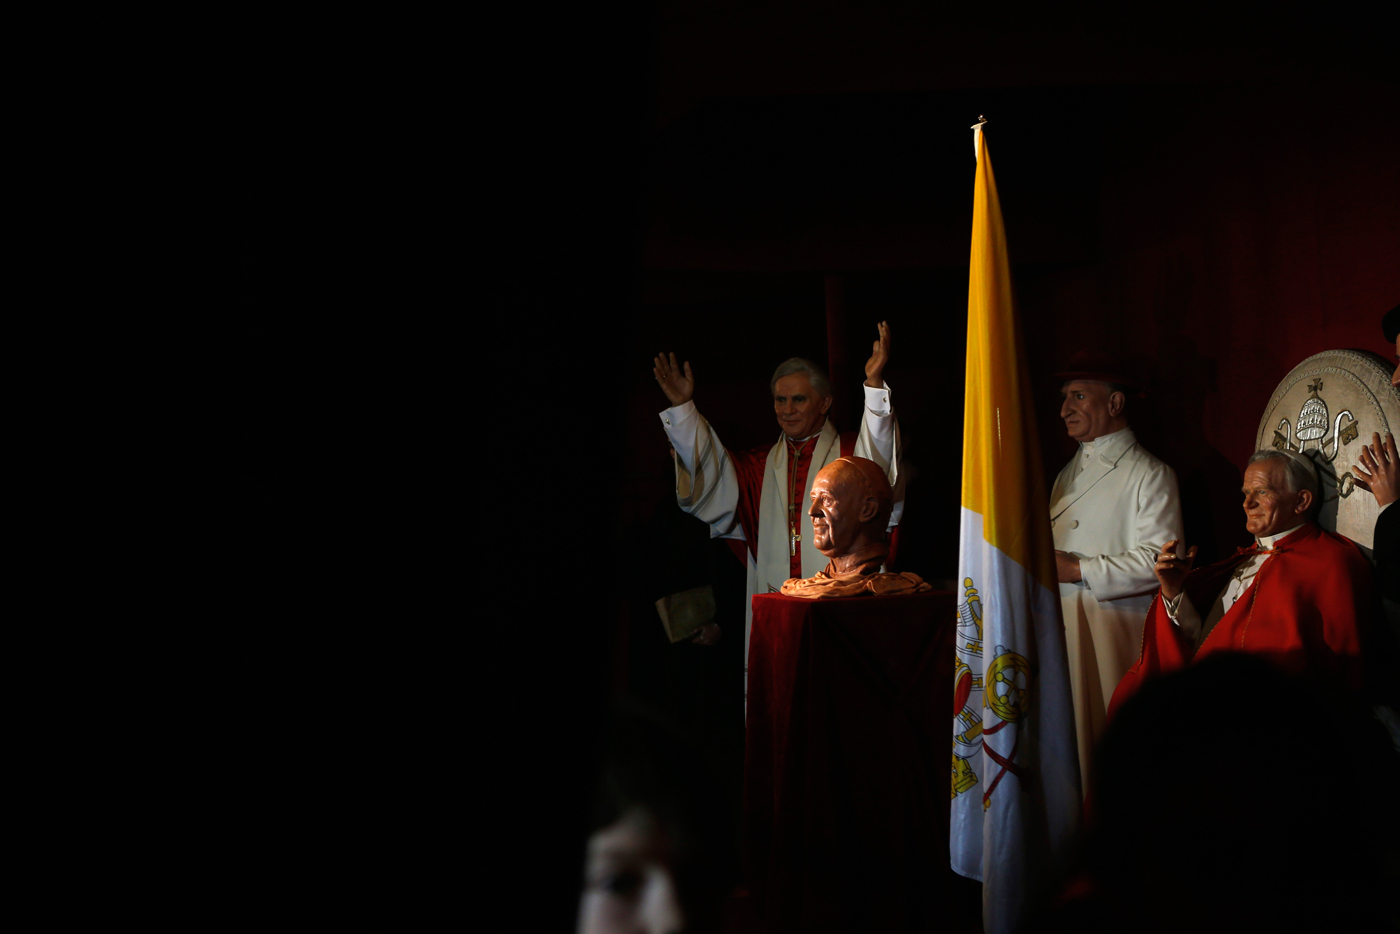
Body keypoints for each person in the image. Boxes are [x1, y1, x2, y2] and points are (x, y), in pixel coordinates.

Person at [652, 323, 901, 665]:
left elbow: (881, 469)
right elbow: (712, 479)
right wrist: (683, 409)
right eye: (780, 400)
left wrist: (873, 386)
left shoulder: (849, 455)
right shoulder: (759, 465)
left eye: (799, 399)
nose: (787, 409)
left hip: (844, 602)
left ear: (825, 402)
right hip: (776, 601)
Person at [1109, 449, 1375, 712]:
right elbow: (1200, 643)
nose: (1247, 504)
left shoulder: (1332, 563)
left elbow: (1344, 674)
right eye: (1246, 493)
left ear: (1301, 501)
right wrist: (1174, 590)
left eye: (1262, 491)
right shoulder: (1243, 561)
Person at [1047, 352, 1183, 785]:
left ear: (1116, 404)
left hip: (1114, 633)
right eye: (1065, 396)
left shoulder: (1150, 474)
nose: (1065, 408)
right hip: (1066, 629)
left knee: (1112, 749)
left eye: (1079, 395)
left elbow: (1159, 561)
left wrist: (1080, 570)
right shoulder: (1066, 474)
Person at [780, 456, 929, 598]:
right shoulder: (810, 587)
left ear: (867, 509)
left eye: (826, 499)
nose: (812, 511)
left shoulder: (890, 589)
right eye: (814, 499)